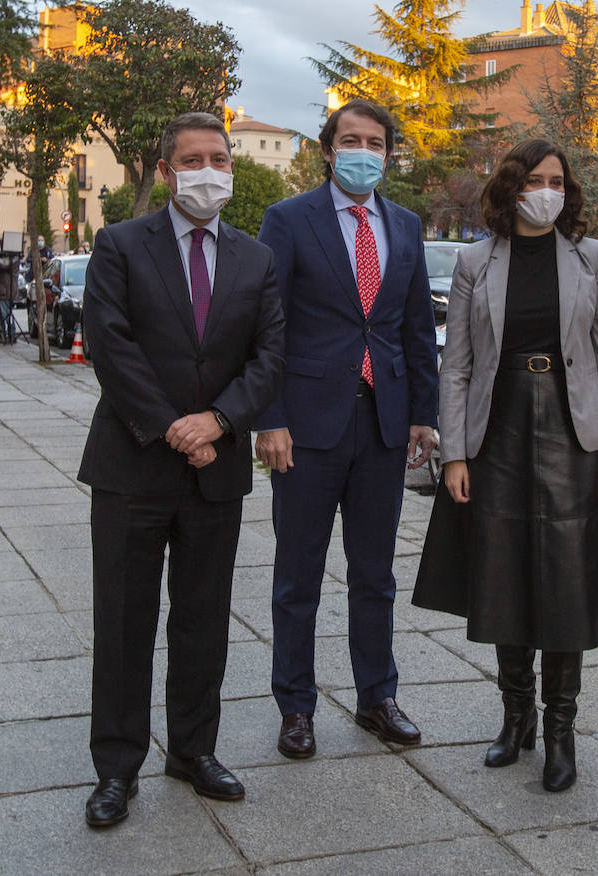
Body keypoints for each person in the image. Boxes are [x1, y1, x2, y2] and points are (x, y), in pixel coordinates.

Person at [413, 139, 598, 792]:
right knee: (504, 571)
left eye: (558, 181)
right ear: (512, 187)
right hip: (499, 429)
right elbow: (455, 364)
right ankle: (515, 719)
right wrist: (455, 454)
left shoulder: (591, 257)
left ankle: (561, 729)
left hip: (575, 435)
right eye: (537, 179)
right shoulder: (474, 261)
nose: (550, 190)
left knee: (568, 579)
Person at [79, 111, 285, 827]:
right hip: (134, 464)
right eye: (194, 159)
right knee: (125, 622)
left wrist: (221, 421)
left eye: (220, 159)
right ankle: (116, 768)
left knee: (203, 621)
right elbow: (111, 345)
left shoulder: (256, 259)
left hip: (215, 472)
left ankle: (193, 751)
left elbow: (269, 357)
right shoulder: (120, 246)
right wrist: (173, 425)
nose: (210, 171)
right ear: (167, 171)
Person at [254, 98, 439, 760]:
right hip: (305, 427)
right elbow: (267, 325)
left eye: (377, 143)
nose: (365, 152)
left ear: (388, 154)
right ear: (329, 151)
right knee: (297, 575)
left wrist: (424, 412)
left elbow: (415, 328)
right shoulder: (289, 219)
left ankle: (376, 697)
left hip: (383, 422)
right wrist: (268, 418)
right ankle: (296, 706)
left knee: (376, 573)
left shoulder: (406, 226)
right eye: (352, 140)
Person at [0, 250, 18, 343]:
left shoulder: (13, 257)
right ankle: (2, 334)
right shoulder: (0, 256)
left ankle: (11, 335)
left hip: (5, 291)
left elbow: (4, 264)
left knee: (6, 313)